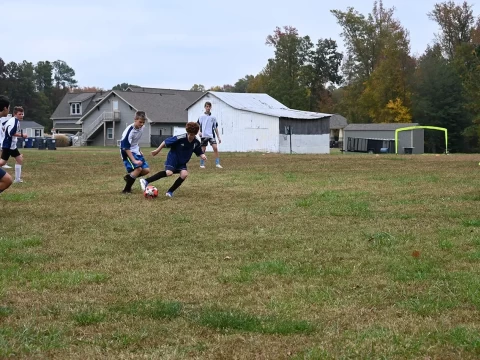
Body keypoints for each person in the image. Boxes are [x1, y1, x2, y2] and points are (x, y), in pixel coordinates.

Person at [140, 122, 206, 198]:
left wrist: (202, 155)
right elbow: (165, 142)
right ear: (187, 132)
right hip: (173, 158)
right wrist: (157, 150)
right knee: (169, 173)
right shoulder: (180, 138)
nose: (190, 136)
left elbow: (198, 151)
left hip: (182, 162)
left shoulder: (196, 142)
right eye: (189, 134)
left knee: (184, 174)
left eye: (192, 134)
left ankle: (170, 192)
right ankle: (146, 181)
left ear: (196, 133)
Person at [120, 110, 150, 194]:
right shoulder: (129, 131)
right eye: (140, 122)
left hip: (135, 150)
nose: (142, 124)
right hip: (126, 152)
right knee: (138, 169)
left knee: (146, 170)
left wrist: (139, 150)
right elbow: (125, 147)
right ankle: (126, 190)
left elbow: (135, 141)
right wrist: (134, 160)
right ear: (135, 119)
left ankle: (129, 177)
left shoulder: (141, 128)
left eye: (143, 122)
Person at [0, 106, 28, 183]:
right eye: (20, 114)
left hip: (12, 145)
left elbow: (4, 125)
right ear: (15, 114)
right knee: (2, 163)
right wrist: (22, 135)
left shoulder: (12, 120)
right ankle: (17, 179)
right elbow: (11, 133)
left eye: (22, 114)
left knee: (19, 159)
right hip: (8, 145)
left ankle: (17, 179)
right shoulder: (14, 122)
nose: (22, 115)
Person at [197, 101, 222, 169]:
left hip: (211, 135)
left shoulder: (213, 117)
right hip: (204, 135)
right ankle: (202, 164)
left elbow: (215, 127)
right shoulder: (201, 116)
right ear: (205, 107)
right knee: (203, 150)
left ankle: (217, 163)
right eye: (207, 106)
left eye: (209, 106)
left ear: (211, 107)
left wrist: (218, 137)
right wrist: (199, 132)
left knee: (215, 148)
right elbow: (198, 125)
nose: (208, 108)